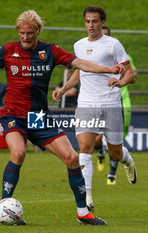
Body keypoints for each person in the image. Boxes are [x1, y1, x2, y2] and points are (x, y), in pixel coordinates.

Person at [0, 10, 124, 226]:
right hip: (14, 114)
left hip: (39, 117)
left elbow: (81, 64)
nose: (25, 37)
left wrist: (107, 69)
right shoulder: (7, 51)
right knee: (19, 152)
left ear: (38, 31)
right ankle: (5, 205)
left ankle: (83, 213)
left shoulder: (50, 51)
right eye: (22, 33)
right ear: (18, 31)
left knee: (72, 158)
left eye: (30, 33)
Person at [52, 6, 138, 212]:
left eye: (95, 21)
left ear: (102, 22)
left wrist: (121, 82)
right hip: (86, 104)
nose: (91, 25)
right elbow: (80, 72)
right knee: (85, 149)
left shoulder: (114, 45)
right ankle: (87, 195)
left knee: (115, 153)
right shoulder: (79, 45)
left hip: (110, 104)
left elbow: (131, 74)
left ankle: (127, 160)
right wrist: (63, 89)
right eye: (87, 21)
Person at [94, 26, 138, 185]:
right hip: (97, 102)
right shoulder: (93, 56)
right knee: (96, 140)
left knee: (116, 146)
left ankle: (112, 174)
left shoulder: (123, 56)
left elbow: (133, 76)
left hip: (120, 103)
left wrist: (122, 80)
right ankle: (99, 153)